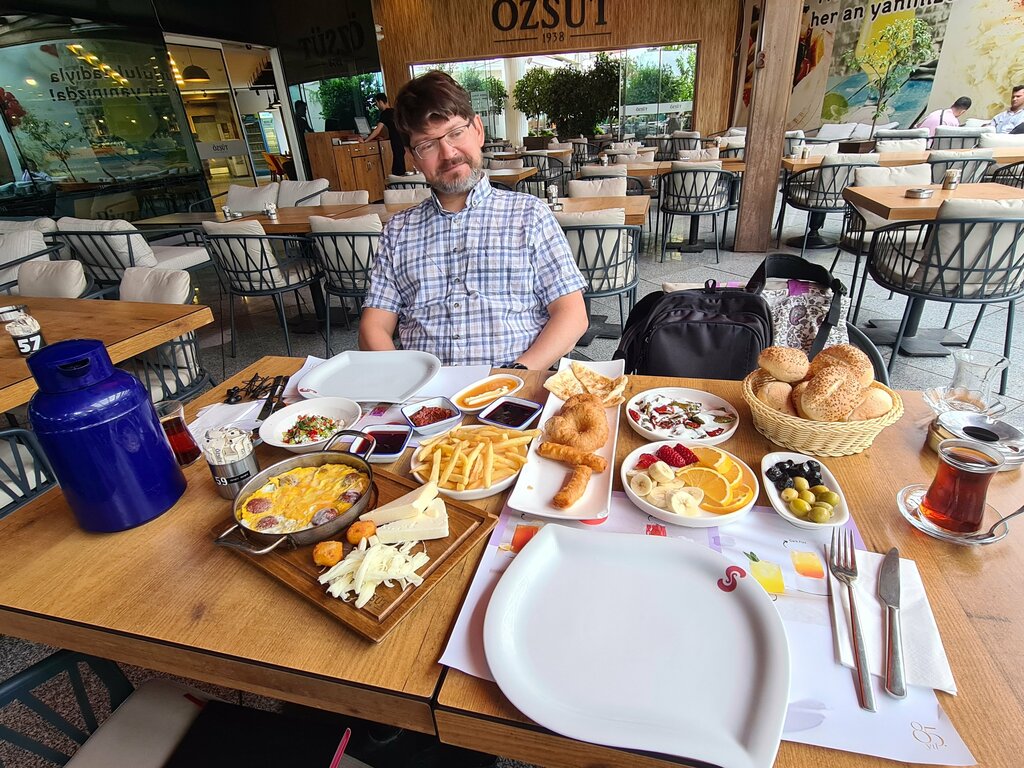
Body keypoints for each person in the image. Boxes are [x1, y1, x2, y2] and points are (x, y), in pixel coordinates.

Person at [359, 71, 589, 369]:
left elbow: (572, 314)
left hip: (515, 393)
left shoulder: (529, 215)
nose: (448, 153)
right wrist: (406, 382)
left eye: (456, 133)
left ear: (477, 129)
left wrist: (512, 377)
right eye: (427, 145)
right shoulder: (398, 231)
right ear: (412, 158)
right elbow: (372, 328)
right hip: (426, 399)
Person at [362, 93, 406, 176]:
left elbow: (377, 130)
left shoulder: (385, 113)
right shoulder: (394, 111)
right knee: (399, 163)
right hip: (402, 140)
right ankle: (400, 183)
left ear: (381, 102)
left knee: (397, 168)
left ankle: (399, 184)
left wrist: (366, 140)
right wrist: (386, 137)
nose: (377, 106)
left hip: (397, 142)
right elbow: (394, 128)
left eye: (377, 103)